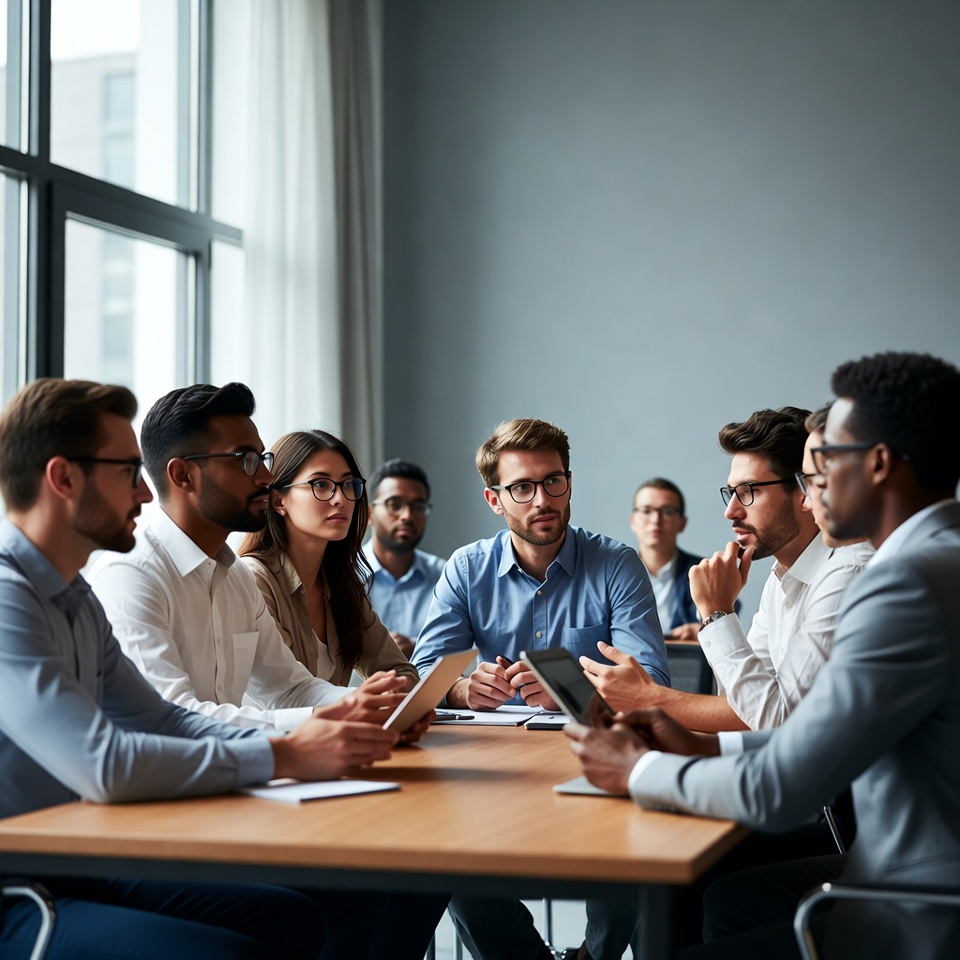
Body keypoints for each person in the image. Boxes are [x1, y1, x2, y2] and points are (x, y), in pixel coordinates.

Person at [566, 351, 960, 960]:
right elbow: (807, 730)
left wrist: (635, 771)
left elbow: (785, 783)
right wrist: (698, 745)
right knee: (724, 899)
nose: (812, 488)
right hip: (904, 867)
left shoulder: (899, 582)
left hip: (915, 907)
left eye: (824, 464)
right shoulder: (938, 557)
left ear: (878, 464)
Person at [0, 378, 406, 960]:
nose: (144, 493)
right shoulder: (11, 596)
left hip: (86, 860)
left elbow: (161, 718)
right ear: (63, 479)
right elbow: (105, 764)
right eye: (125, 472)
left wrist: (331, 723)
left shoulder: (72, 596)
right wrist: (285, 753)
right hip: (22, 890)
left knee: (305, 917)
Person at [412, 417, 669, 960]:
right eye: (522, 488)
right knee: (453, 864)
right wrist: (461, 689)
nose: (541, 499)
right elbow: (424, 670)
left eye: (553, 481)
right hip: (496, 768)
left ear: (569, 483)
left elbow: (652, 682)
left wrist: (572, 690)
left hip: (595, 761)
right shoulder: (466, 568)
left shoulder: (616, 565)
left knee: (632, 854)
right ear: (494, 499)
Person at [90, 382, 413, 733]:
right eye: (246, 459)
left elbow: (289, 689)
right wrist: (336, 715)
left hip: (230, 772)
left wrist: (368, 706)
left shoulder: (235, 576)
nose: (266, 477)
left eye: (262, 458)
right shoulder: (131, 575)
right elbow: (171, 715)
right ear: (183, 475)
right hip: (169, 782)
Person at [582, 407, 872, 733]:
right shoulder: (781, 579)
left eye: (749, 491)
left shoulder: (849, 574)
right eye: (731, 492)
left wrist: (716, 614)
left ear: (803, 490)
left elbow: (780, 720)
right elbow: (745, 707)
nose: (730, 511)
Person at [239, 431, 419, 689]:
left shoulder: (342, 584)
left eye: (348, 485)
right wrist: (361, 700)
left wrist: (387, 694)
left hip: (342, 728)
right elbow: (282, 694)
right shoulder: (253, 579)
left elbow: (401, 672)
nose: (340, 499)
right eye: (320, 484)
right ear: (279, 500)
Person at [630, 476, 736, 641]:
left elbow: (728, 617)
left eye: (667, 511)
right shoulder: (617, 574)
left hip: (688, 663)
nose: (655, 520)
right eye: (646, 511)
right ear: (633, 521)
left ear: (682, 523)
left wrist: (708, 628)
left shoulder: (706, 571)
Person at [365, 458, 446, 657]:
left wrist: (418, 649)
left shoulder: (446, 577)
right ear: (369, 514)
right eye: (395, 505)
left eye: (418, 507)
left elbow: (465, 648)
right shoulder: (343, 576)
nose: (407, 516)